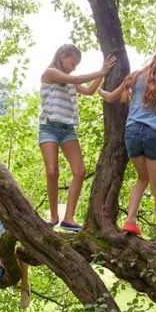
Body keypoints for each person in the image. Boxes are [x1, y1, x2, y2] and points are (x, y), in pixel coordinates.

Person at [98, 48, 156, 248]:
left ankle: (130, 220)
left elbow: (110, 97)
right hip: (154, 134)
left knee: (142, 178)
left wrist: (99, 89)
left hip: (132, 133)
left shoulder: (134, 77)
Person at [39, 44, 117, 231]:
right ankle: (53, 215)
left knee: (80, 171)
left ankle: (69, 218)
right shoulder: (50, 73)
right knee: (51, 171)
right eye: (73, 62)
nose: (74, 67)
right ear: (63, 55)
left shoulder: (71, 81)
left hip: (67, 130)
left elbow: (89, 91)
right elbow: (75, 78)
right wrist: (101, 70)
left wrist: (104, 73)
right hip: (48, 127)